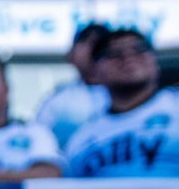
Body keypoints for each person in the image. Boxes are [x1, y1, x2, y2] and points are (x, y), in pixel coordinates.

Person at [65, 27, 179, 179]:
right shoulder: (81, 141)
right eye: (114, 53)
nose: (128, 57)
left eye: (139, 49)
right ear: (94, 74)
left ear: (155, 62)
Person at [35, 22, 111, 148]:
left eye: (99, 43)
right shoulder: (58, 101)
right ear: (71, 55)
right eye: (86, 42)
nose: (93, 50)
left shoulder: (130, 94)